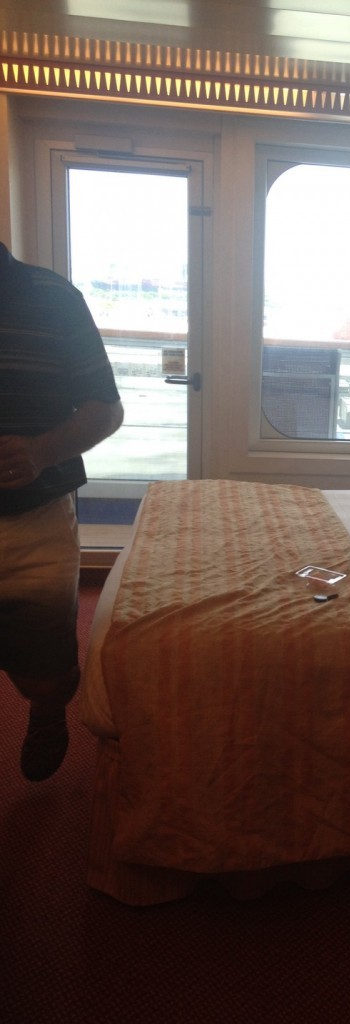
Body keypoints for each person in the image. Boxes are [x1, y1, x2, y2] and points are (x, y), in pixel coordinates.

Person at [0, 241, 124, 781]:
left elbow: (106, 409)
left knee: (49, 674)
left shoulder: (53, 298)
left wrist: (41, 452)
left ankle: (48, 711)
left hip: (37, 518)